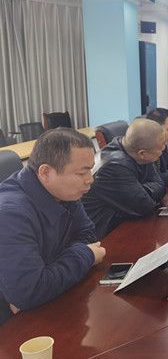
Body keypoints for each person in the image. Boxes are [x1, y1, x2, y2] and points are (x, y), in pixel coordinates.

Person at [0, 128, 105, 324]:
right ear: (45, 172)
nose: (90, 179)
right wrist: (87, 255)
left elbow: (89, 235)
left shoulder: (64, 192)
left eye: (90, 169)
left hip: (48, 302)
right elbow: (29, 292)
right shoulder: (9, 213)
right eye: (82, 172)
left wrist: (48, 271)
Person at [82, 119, 166, 239]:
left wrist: (141, 189)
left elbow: (160, 184)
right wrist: (144, 191)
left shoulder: (134, 149)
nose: (163, 150)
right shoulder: (114, 166)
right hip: (105, 236)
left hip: (122, 222)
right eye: (161, 149)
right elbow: (144, 206)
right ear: (142, 154)